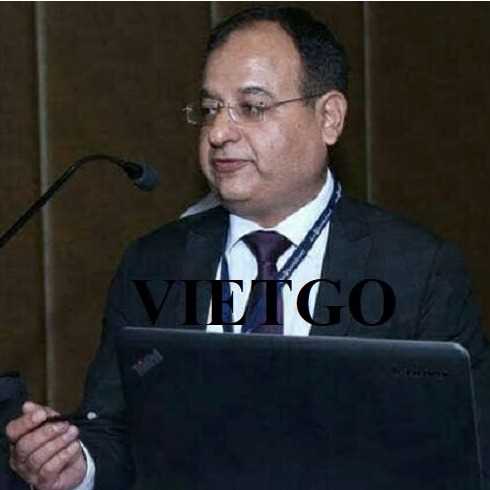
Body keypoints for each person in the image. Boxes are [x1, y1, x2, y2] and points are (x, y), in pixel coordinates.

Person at [5, 6, 490, 490]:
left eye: (252, 107)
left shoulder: (418, 272)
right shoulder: (153, 264)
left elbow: (463, 461)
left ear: (329, 118)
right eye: (210, 109)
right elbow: (116, 431)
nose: (219, 133)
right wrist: (77, 466)